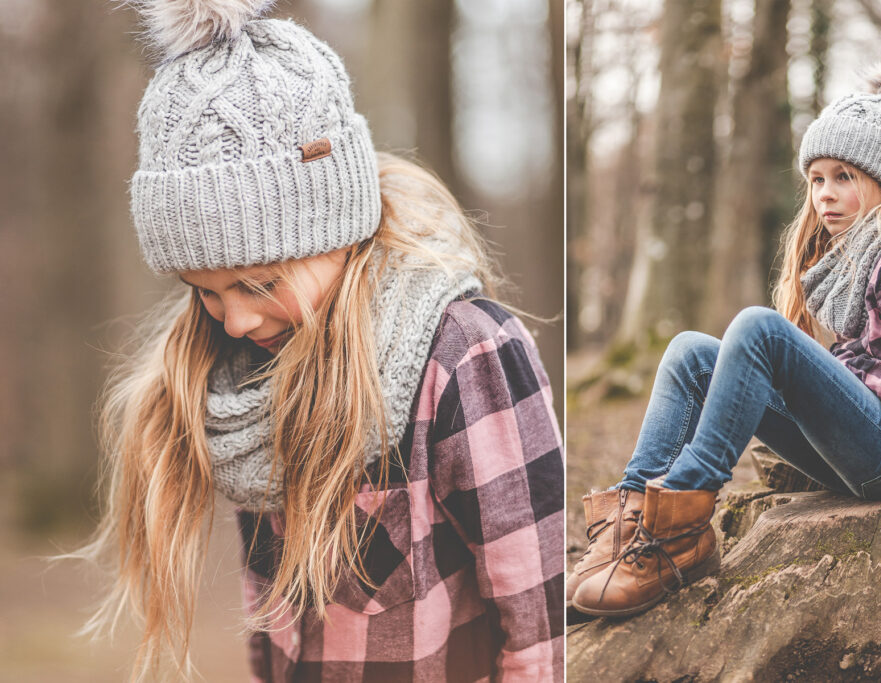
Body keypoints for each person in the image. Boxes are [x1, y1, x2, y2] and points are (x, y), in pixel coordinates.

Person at [74, 1, 564, 680]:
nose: (234, 321)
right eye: (206, 292)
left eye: (256, 284)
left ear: (336, 229)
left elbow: (539, 624)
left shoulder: (462, 357)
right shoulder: (244, 378)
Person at [568, 56, 881, 618]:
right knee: (692, 352)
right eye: (816, 179)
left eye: (844, 177)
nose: (824, 195)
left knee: (759, 328)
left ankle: (680, 528)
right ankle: (629, 521)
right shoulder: (856, 256)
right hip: (871, 450)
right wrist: (832, 370)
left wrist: (831, 368)